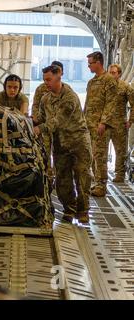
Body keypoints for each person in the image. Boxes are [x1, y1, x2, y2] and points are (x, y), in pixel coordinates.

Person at [34, 65, 92, 224]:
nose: (46, 83)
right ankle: (69, 209)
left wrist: (40, 129)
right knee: (62, 180)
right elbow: (40, 118)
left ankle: (83, 210)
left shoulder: (70, 97)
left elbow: (57, 121)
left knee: (82, 177)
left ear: (58, 76)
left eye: (48, 79)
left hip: (78, 143)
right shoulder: (45, 99)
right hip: (60, 145)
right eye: (44, 79)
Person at [84, 51, 117, 197]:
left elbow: (111, 103)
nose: (88, 66)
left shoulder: (109, 80)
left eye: (90, 63)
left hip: (100, 126)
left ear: (98, 62)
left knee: (100, 156)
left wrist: (104, 122)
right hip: (89, 124)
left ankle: (101, 186)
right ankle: (95, 183)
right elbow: (88, 103)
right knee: (92, 155)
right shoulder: (91, 82)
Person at [107, 64, 134, 182]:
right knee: (100, 151)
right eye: (110, 72)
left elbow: (133, 104)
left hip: (119, 124)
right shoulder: (104, 86)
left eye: (113, 73)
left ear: (119, 74)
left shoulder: (125, 87)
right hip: (105, 123)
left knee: (120, 151)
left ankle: (120, 174)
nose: (111, 75)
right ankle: (100, 175)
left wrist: (130, 120)